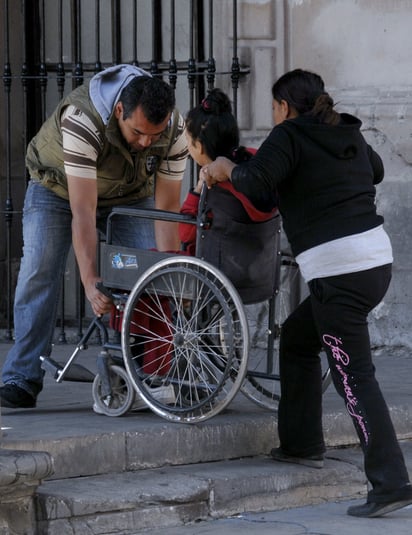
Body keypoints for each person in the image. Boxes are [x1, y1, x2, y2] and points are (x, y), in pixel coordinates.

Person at [202, 69, 412, 518]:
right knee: (298, 341)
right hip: (375, 262)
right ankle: (300, 444)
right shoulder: (344, 131)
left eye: (274, 107)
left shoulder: (288, 135)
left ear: (282, 106)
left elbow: (258, 182)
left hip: (339, 272)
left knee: (355, 376)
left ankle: (391, 482)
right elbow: (373, 169)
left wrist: (225, 169)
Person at [0, 64, 188, 409]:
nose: (146, 142)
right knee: (39, 270)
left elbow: (167, 211)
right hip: (57, 188)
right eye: (138, 132)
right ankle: (21, 375)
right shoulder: (83, 119)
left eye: (154, 135)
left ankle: (139, 373)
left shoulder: (175, 130)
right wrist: (90, 282)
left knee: (146, 272)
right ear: (120, 111)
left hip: (130, 195)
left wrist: (169, 276)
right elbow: (83, 212)